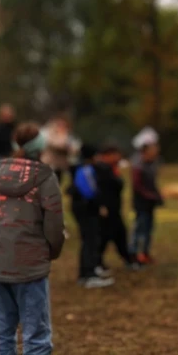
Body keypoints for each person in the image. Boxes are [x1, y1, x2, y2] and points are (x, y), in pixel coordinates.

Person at [0, 122, 69, 355]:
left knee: (3, 329)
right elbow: (55, 224)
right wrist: (52, 252)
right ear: (41, 148)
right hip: (30, 264)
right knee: (35, 329)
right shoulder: (44, 177)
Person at [69, 145, 112, 288]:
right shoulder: (86, 170)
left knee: (89, 240)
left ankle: (88, 271)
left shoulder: (81, 168)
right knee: (90, 241)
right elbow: (90, 191)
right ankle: (88, 274)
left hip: (84, 209)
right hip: (86, 210)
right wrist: (100, 205)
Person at [94, 144, 136, 272]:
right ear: (108, 155)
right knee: (105, 236)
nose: (119, 157)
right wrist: (102, 206)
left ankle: (128, 259)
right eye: (116, 154)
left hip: (114, 209)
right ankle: (96, 262)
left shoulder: (111, 168)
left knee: (119, 234)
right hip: (107, 210)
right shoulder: (102, 169)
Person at [131, 141, 164, 265]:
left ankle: (145, 253)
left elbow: (152, 184)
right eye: (153, 150)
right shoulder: (138, 166)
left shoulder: (151, 164)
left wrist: (157, 196)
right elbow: (137, 186)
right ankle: (134, 254)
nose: (155, 153)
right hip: (141, 204)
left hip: (150, 203)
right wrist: (151, 196)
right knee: (140, 229)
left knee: (148, 229)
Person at [41, 116, 78, 186]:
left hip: (61, 165)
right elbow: (53, 144)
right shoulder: (49, 132)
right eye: (60, 124)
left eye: (64, 124)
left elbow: (75, 148)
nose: (62, 126)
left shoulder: (68, 134)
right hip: (49, 163)